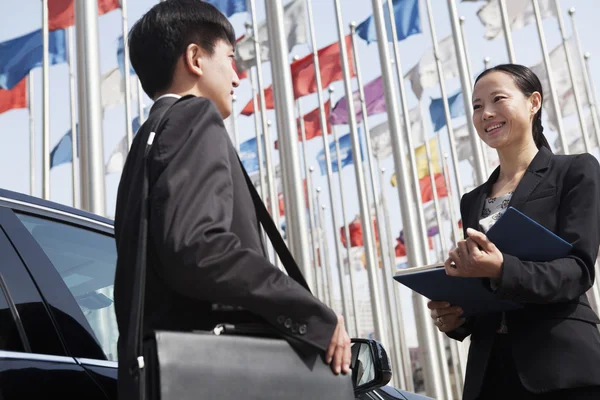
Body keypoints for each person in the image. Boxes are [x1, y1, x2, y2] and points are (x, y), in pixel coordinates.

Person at [112, 1, 351, 398]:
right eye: (230, 58)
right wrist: (311, 314)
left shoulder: (149, 138)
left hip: (160, 370)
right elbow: (199, 248)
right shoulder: (194, 116)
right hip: (211, 372)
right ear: (195, 58)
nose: (238, 77)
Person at [428, 64, 600, 400]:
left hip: (562, 370)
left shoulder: (575, 171)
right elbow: (486, 294)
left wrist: (501, 268)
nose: (486, 113)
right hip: (491, 374)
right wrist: (456, 319)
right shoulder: (472, 201)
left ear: (534, 102)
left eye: (497, 99)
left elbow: (578, 271)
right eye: (477, 106)